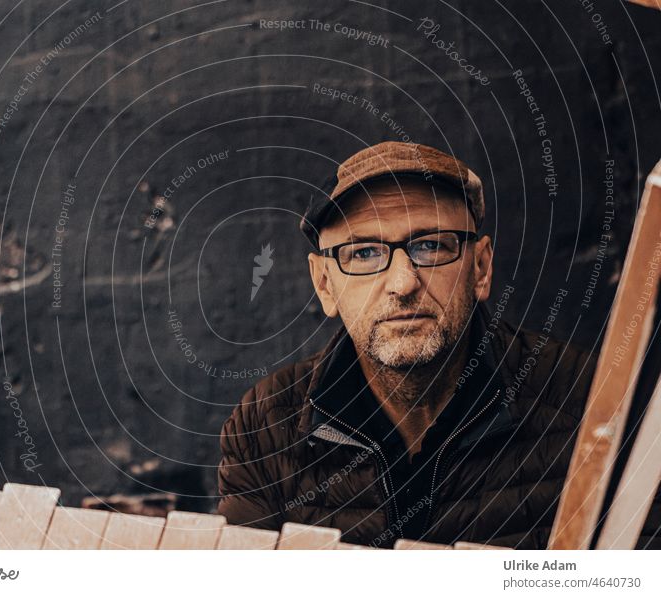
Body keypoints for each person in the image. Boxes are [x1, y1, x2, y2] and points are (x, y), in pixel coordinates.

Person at [216, 141, 658, 549]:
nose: (403, 284)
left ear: (481, 268)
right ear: (325, 284)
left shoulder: (593, 408)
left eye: (430, 246)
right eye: (364, 253)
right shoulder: (263, 429)